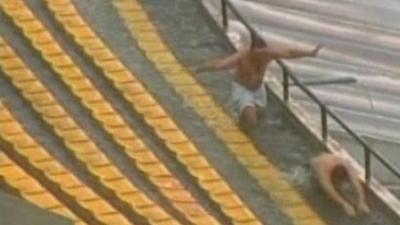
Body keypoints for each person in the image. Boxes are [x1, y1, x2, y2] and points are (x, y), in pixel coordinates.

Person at [193, 38, 322, 130]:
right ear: (252, 50)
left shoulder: (267, 54)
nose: (262, 57)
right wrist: (199, 69)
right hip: (243, 89)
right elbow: (220, 65)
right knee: (251, 119)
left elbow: (289, 53)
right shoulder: (242, 57)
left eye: (263, 54)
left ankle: (240, 121)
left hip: (259, 89)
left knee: (258, 116)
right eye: (258, 54)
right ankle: (244, 130)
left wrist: (309, 53)